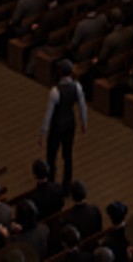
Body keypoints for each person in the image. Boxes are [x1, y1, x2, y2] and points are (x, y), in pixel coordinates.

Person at [42, 60, 88, 192]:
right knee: (67, 155)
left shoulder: (55, 91)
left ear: (60, 73)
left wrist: (43, 132)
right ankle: (66, 184)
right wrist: (84, 123)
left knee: (51, 154)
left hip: (57, 125)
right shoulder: (77, 87)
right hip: (70, 123)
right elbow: (82, 107)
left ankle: (50, 182)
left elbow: (48, 114)